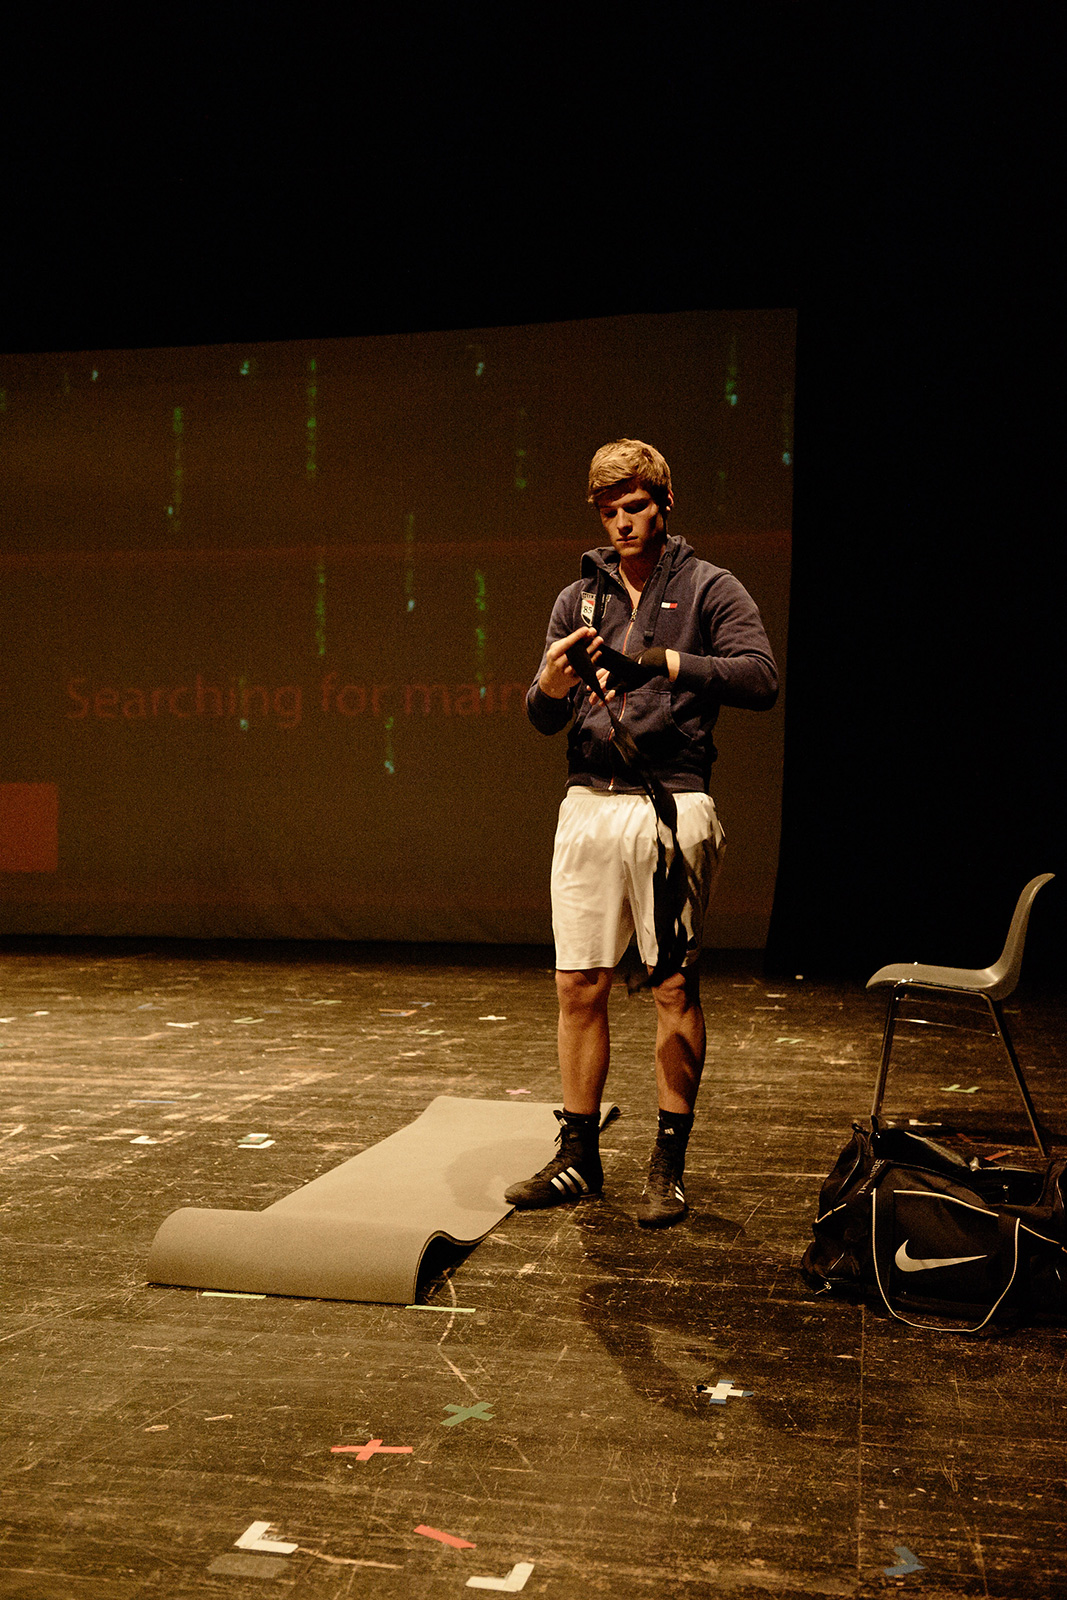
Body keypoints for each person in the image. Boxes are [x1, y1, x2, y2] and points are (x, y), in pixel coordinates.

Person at [504, 439, 778, 1227]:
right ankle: (578, 1156)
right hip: (588, 802)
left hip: (671, 802)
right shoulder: (577, 599)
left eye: (633, 507)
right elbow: (542, 714)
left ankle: (667, 1161)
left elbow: (759, 676)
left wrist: (662, 662)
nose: (621, 523)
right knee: (577, 985)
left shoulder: (708, 586)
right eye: (607, 511)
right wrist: (548, 684)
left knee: (671, 986)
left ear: (663, 504)